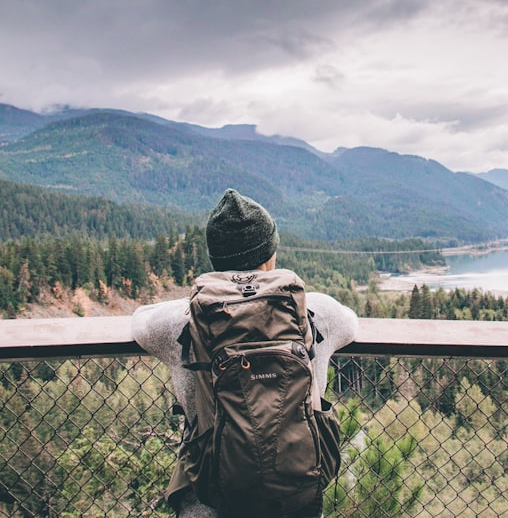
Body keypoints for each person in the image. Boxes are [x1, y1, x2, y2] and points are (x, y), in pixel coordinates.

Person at [132, 189, 358, 517]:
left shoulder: (178, 321)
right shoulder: (315, 311)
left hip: (211, 497)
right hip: (297, 498)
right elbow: (351, 323)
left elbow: (139, 320)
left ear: (215, 259)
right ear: (270, 256)